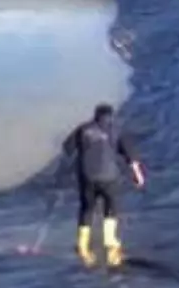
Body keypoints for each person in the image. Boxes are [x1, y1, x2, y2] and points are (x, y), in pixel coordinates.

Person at [61, 103, 146, 267]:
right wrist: (138, 176)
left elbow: (67, 148)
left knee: (87, 209)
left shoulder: (83, 129)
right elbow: (130, 157)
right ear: (111, 116)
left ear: (95, 115)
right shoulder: (117, 130)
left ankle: (83, 247)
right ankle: (110, 243)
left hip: (87, 177)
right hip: (109, 178)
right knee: (111, 208)